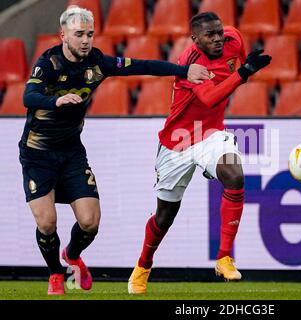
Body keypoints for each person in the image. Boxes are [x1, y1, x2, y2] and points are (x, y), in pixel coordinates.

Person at [19, 6, 209, 295]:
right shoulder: (48, 63)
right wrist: (55, 102)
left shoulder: (98, 63)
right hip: (37, 153)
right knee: (47, 224)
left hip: (71, 152)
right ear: (63, 35)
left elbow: (142, 66)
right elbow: (28, 96)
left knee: (90, 222)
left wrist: (184, 71)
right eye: (79, 34)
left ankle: (71, 255)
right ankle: (56, 275)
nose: (86, 40)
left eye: (90, 34)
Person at [128, 12, 271, 294]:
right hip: (177, 142)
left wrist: (243, 68)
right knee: (164, 216)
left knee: (234, 174)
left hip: (210, 133)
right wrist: (243, 74)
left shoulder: (233, 38)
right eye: (210, 35)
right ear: (195, 39)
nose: (218, 38)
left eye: (219, 32)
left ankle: (224, 257)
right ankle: (143, 265)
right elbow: (210, 97)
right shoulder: (190, 62)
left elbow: (238, 58)